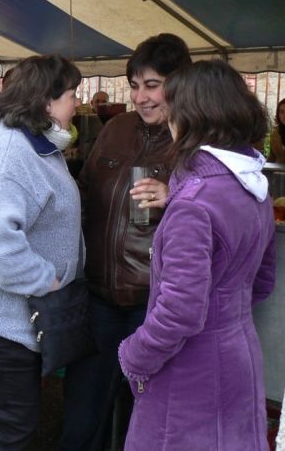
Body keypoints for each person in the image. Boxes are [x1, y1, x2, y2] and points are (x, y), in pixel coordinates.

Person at [119, 59, 275, 451]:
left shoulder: (193, 202)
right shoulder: (252, 186)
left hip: (192, 369)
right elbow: (264, 281)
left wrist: (134, 355)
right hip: (240, 350)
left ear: (188, 118)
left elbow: (181, 312)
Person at [0, 54, 84, 449]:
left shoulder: (31, 143)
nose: (76, 102)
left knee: (9, 424)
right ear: (46, 102)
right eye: (71, 94)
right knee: (11, 429)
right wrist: (46, 279)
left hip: (7, 315)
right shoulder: (11, 155)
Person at [60, 33, 192, 451]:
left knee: (147, 418)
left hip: (153, 304)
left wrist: (175, 197)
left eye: (152, 85)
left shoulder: (194, 141)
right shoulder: (115, 128)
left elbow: (220, 214)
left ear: (180, 83)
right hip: (98, 296)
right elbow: (83, 189)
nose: (140, 96)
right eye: (134, 85)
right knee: (83, 416)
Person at [268, 98, 285, 163]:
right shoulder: (275, 134)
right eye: (281, 112)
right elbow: (271, 158)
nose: (284, 116)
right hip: (279, 171)